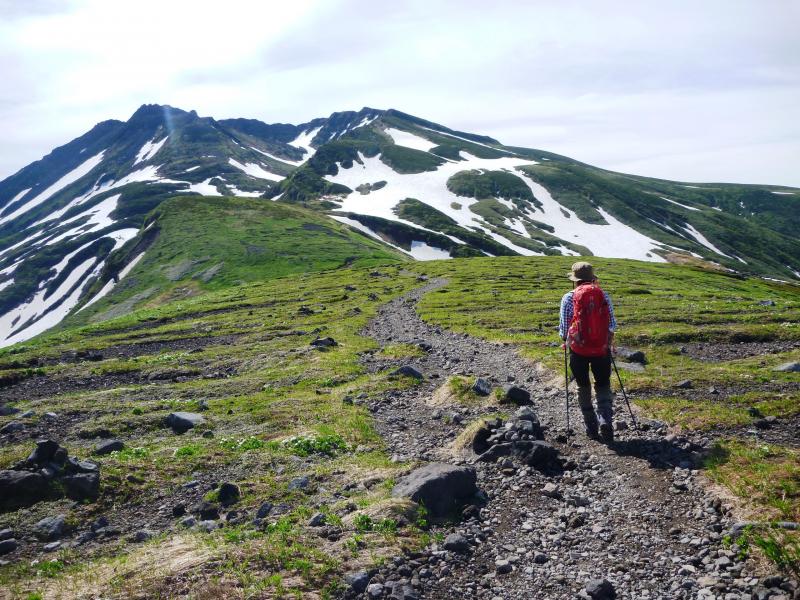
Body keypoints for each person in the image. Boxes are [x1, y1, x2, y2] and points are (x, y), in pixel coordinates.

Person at [558, 262, 618, 442]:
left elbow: (564, 331)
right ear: (592, 278)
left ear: (574, 280)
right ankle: (605, 419)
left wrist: (567, 340)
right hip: (601, 349)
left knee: (582, 385)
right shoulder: (603, 295)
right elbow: (612, 325)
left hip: (578, 351)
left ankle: (591, 425)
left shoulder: (568, 298)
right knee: (603, 384)